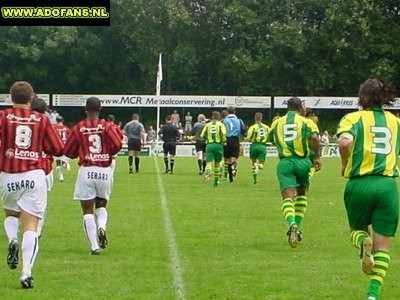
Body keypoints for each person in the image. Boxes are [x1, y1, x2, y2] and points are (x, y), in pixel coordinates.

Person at [336, 79, 399, 300]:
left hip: (360, 183)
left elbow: (344, 143)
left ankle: (363, 242)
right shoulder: (395, 121)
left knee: (357, 230)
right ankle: (372, 295)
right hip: (387, 185)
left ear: (361, 97)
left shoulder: (352, 118)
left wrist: (345, 164)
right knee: (383, 246)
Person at [0, 81, 63, 288]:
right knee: (31, 225)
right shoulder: (42, 120)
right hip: (34, 175)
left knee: (10, 214)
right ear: (31, 98)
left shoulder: (2, 117)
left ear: (11, 98)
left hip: (8, 174)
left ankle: (12, 239)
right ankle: (26, 272)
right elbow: (57, 147)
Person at [63, 97, 122, 255]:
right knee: (101, 204)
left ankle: (94, 246)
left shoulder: (79, 127)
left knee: (87, 210)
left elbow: (69, 151)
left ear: (86, 110)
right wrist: (106, 151)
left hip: (87, 170)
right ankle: (101, 226)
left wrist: (80, 151)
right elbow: (117, 144)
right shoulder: (107, 126)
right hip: (104, 170)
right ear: (100, 109)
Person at [267, 97, 321, 248]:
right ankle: (297, 226)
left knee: (288, 198)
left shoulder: (277, 122)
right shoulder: (307, 122)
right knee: (302, 194)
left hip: (285, 163)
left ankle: (291, 223)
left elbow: (270, 139)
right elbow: (315, 138)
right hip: (303, 162)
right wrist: (316, 156)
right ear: (301, 107)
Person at [30, 97, 54, 239]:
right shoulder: (46, 123)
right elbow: (57, 147)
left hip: (27, 167)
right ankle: (37, 229)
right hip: (45, 169)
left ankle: (20, 228)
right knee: (42, 202)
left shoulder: (25, 122)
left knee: (22, 200)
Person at [201, 111, 227, 187]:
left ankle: (208, 170)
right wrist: (223, 140)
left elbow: (202, 135)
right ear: (219, 117)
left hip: (209, 145)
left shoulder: (207, 125)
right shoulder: (221, 125)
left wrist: (208, 138)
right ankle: (216, 181)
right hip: (218, 145)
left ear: (212, 117)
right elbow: (224, 133)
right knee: (217, 164)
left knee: (209, 162)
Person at [222, 106, 246, 182]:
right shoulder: (239, 120)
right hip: (235, 139)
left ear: (227, 112)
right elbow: (243, 131)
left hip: (227, 140)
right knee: (234, 158)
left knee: (228, 160)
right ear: (234, 112)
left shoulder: (223, 121)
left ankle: (231, 179)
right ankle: (234, 167)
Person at [246, 112, 270, 184]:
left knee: (253, 162)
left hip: (254, 145)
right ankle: (259, 166)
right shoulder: (266, 127)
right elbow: (271, 135)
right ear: (261, 118)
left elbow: (248, 137)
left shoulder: (252, 127)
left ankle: (255, 180)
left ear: (255, 118)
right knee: (261, 164)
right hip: (262, 146)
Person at [53, 116, 71, 182]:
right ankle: (65, 164)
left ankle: (61, 176)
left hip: (57, 147)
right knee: (63, 161)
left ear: (56, 120)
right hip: (65, 147)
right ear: (62, 120)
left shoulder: (54, 128)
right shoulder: (66, 128)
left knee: (57, 163)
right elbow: (70, 138)